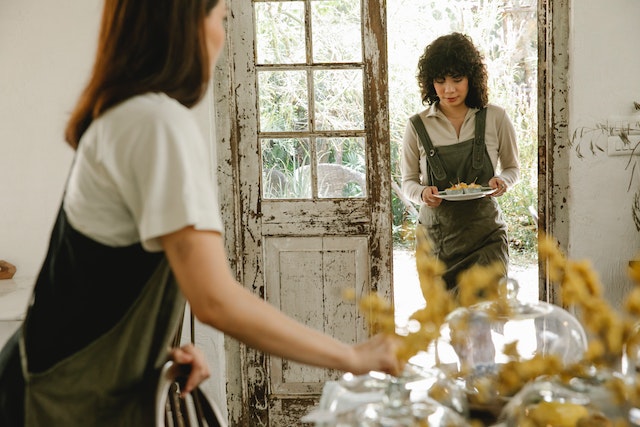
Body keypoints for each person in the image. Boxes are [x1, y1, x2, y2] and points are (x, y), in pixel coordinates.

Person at [0, 1, 403, 425]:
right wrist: (350, 355)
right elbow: (214, 300)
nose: (223, 37)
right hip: (54, 401)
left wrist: (155, 354)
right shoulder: (154, 123)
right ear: (185, 23)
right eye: (221, 19)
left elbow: (103, 286)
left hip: (54, 386)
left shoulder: (129, 115)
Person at [401, 32, 520, 291]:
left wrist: (503, 181)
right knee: (448, 325)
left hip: (486, 239)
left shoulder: (496, 117)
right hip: (436, 244)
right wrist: (422, 193)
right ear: (430, 82)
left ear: (471, 78)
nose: (449, 89)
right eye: (440, 81)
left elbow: (512, 168)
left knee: (482, 324)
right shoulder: (417, 125)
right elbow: (408, 182)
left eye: (457, 79)